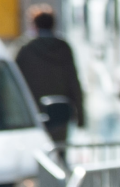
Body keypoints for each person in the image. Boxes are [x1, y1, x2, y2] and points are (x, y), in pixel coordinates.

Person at [14, 5, 85, 142]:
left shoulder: (25, 49)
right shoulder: (63, 47)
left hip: (34, 110)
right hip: (61, 110)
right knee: (59, 150)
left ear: (34, 25)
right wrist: (80, 116)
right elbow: (73, 81)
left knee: (40, 151)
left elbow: (15, 83)